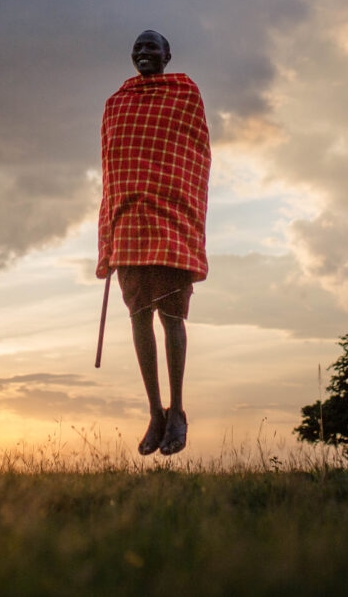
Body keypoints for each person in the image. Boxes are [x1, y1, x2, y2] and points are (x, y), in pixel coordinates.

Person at [97, 30, 211, 456]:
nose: (143, 52)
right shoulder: (116, 104)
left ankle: (177, 410)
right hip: (128, 221)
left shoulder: (185, 95)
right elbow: (112, 168)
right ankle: (154, 412)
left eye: (152, 47)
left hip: (170, 220)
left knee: (171, 316)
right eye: (138, 48)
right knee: (139, 317)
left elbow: (194, 158)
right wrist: (108, 231)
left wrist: (176, 202)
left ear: (167, 55)